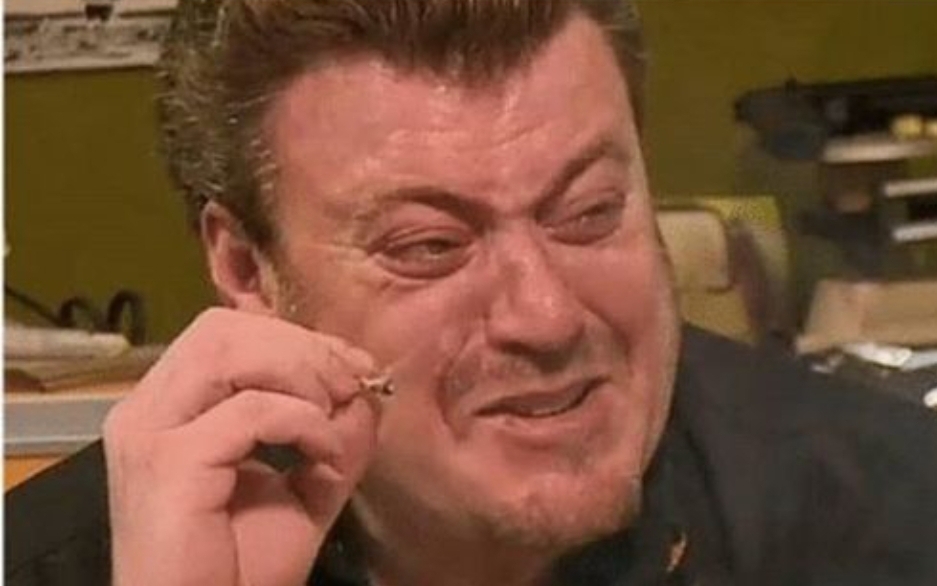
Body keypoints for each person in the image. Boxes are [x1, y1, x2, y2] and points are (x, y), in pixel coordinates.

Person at [5, 1, 937, 585]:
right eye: (430, 247)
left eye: (588, 212)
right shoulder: (64, 563)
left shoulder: (899, 511)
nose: (545, 316)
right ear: (248, 271)